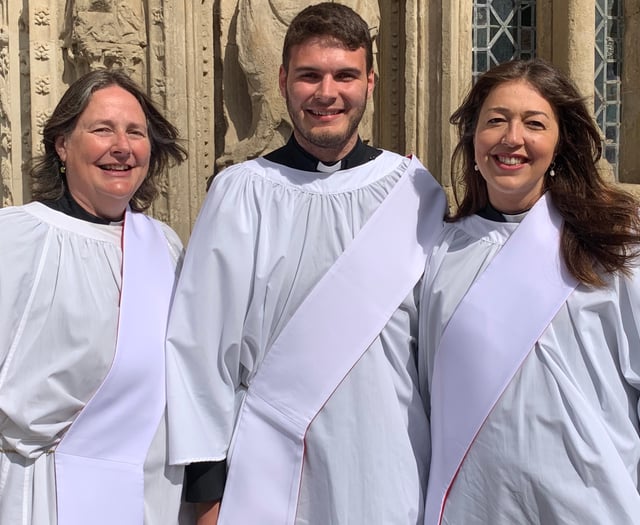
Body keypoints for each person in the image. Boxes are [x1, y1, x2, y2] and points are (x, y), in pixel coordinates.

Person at [166, 3, 446, 524]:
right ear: (282, 80)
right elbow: (200, 355)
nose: (326, 92)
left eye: (345, 75)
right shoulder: (240, 193)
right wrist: (206, 499)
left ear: (370, 81)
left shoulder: (414, 192)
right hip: (268, 473)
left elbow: (437, 353)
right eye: (309, 75)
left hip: (390, 472)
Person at [420, 58, 640, 525]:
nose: (511, 138)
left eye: (534, 123)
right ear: (474, 140)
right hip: (476, 507)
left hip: (591, 505)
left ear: (560, 143)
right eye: (495, 121)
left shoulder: (614, 244)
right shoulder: (439, 251)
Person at [0, 69, 188, 525]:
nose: (122, 147)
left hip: (149, 496)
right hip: (42, 494)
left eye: (135, 132)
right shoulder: (15, 237)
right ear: (63, 145)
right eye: (102, 129)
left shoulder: (164, 247)